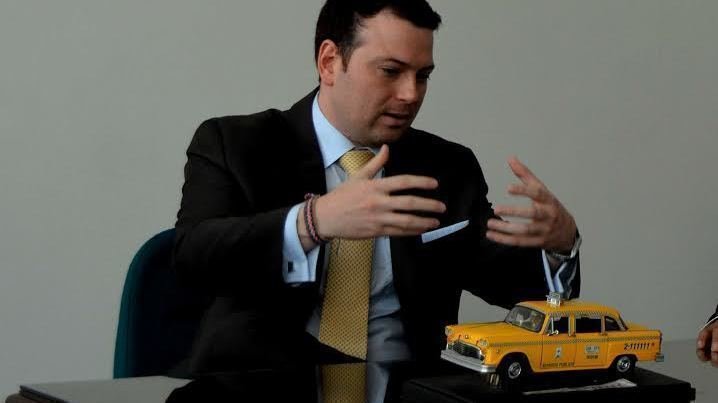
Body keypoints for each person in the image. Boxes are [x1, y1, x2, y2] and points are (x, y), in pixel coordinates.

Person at [173, 0, 581, 374]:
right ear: (330, 62)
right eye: (390, 71)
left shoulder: (447, 168)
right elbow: (192, 256)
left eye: (422, 76)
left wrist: (559, 248)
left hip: (408, 386)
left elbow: (518, 290)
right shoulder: (237, 145)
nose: (410, 94)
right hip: (266, 383)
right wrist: (314, 221)